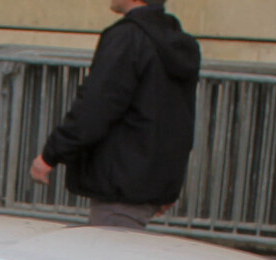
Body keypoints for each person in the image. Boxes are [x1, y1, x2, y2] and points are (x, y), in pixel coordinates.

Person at [28, 0, 200, 231]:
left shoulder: (127, 37)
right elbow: (180, 119)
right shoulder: (176, 39)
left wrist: (51, 154)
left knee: (108, 259)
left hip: (121, 183)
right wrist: (168, 183)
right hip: (149, 182)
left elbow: (96, 106)